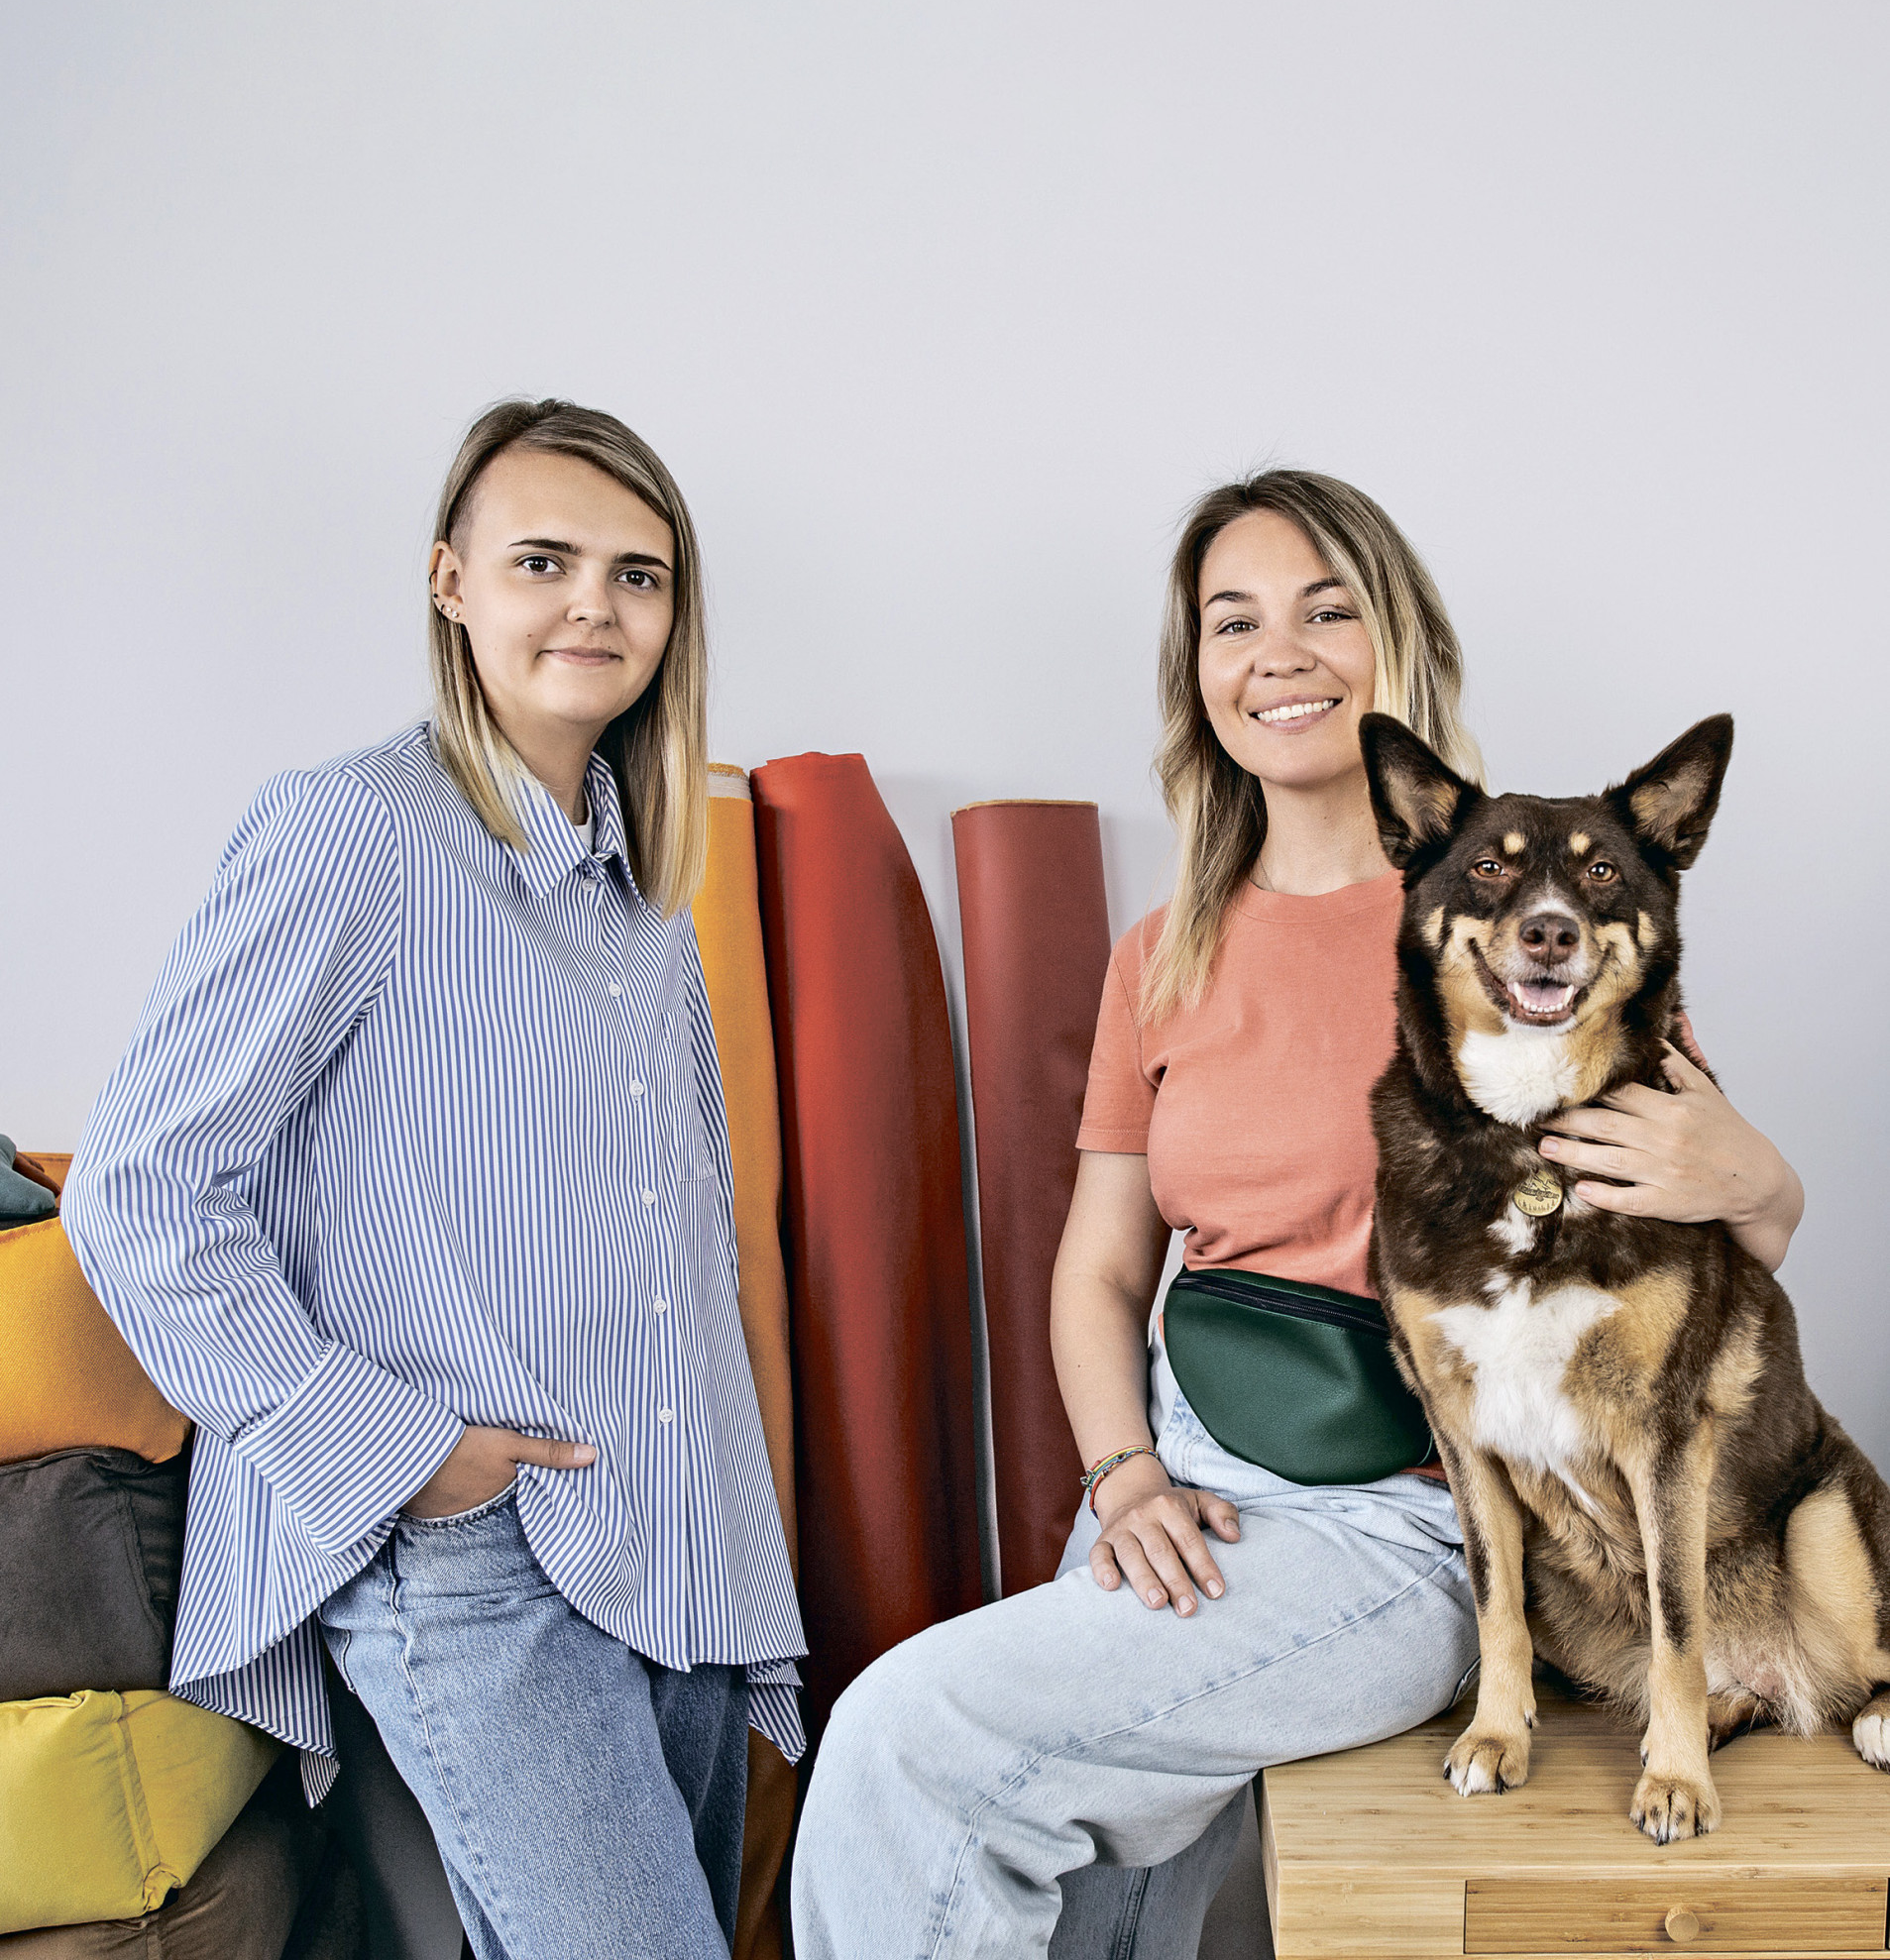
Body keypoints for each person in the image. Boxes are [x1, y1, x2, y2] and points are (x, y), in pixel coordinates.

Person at [791, 469, 1804, 1959]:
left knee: (907, 1738)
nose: (1281, 655)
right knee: (1087, 1921)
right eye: (1234, 622)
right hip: (1179, 1482)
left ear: (1402, 645)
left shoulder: (1528, 925)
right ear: (1197, 675)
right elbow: (1100, 1271)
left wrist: (1771, 1184)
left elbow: (1700, 1257)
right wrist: (1124, 1478)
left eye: (1328, 611)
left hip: (1402, 1516)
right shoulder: (1165, 952)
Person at [63, 398, 805, 1960]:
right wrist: (399, 1453)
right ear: (450, 582)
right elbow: (139, 1189)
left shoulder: (646, 890)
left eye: (639, 574)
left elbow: (680, 1250)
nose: (595, 605)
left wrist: (738, 1550)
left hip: (669, 1539)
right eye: (544, 561)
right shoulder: (352, 831)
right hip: (473, 1552)